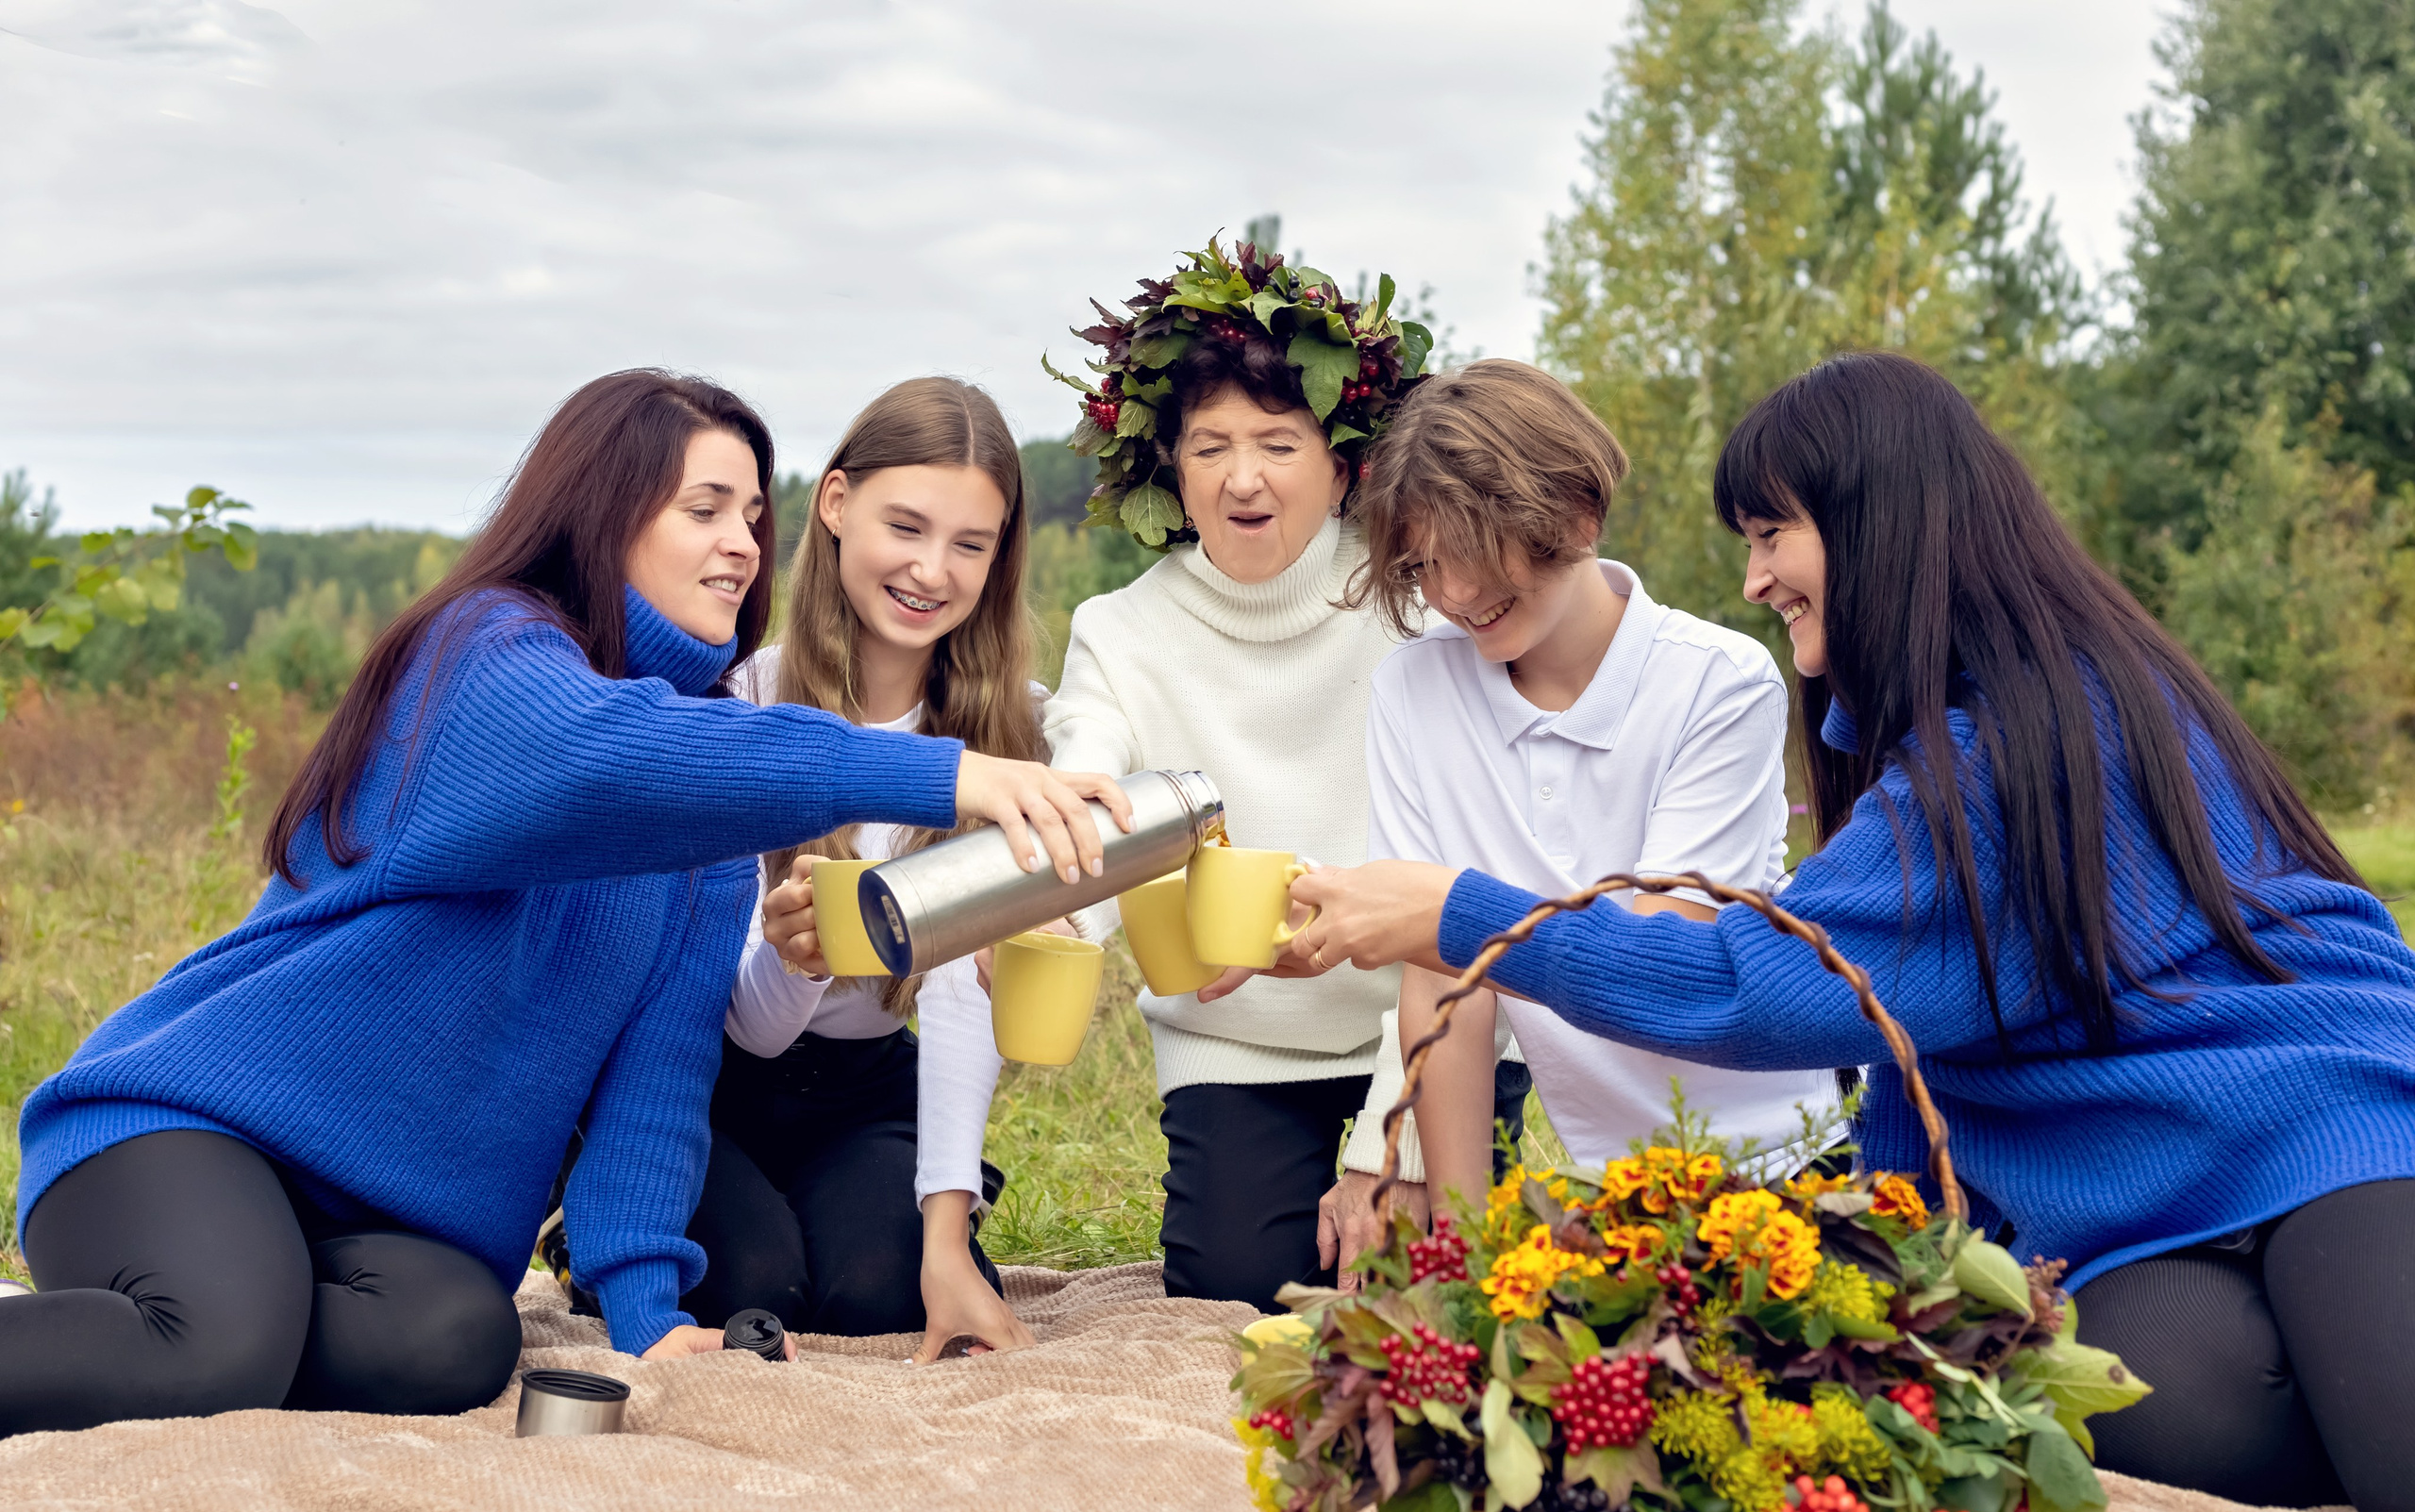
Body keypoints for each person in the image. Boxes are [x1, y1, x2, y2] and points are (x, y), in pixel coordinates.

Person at [1288, 350, 2415, 1512]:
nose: (1753, 572)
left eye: (1773, 531)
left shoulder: (2034, 731)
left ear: (1884, 521)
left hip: (2319, 1124)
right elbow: (1891, 1017)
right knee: (2168, 1423)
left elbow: (1754, 983)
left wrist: (1459, 912)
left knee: (2395, 1465)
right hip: (2135, 1189)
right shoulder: (1912, 736)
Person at [0, 369, 1126, 1437]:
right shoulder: (487, 656)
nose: (742, 543)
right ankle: (199, 1312)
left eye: (751, 517)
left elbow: (659, 1075)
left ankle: (222, 1304)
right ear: (606, 509)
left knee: (452, 1346)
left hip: (377, 1220)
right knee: (211, 1347)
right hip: (192, 1125)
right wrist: (949, 773)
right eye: (706, 508)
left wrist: (650, 1320)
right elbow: (608, 753)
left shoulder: (691, 822)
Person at [1041, 237, 1530, 1309]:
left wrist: (1387, 1136)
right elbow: (1087, 776)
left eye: (1276, 440)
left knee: (1422, 1288)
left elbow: (1464, 894)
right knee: (1236, 1292)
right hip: (1238, 1047)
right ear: (1170, 463)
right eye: (1209, 445)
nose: (1242, 476)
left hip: (1429, 1023)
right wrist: (1060, 916)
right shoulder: (1119, 631)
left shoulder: (1413, 604)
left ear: (1344, 465)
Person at [1317, 360, 1833, 1278]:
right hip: (1616, 1188)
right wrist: (1466, 1258)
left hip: (1786, 1160)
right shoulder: (1414, 687)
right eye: (1424, 562)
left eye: (1474, 549)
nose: (1452, 590)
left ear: (1575, 517)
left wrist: (1461, 914)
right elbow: (1444, 985)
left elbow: (1659, 970)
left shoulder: (1718, 683)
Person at [689, 376, 1043, 1365]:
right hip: (712, 1077)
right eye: (907, 526)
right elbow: (750, 1024)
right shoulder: (735, 706)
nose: (933, 569)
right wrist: (799, 955)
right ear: (837, 505)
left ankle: (899, 1233)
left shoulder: (1005, 735)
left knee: (878, 1291)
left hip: (865, 1085)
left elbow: (968, 1002)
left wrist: (945, 1236)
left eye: (970, 544)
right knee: (758, 1286)